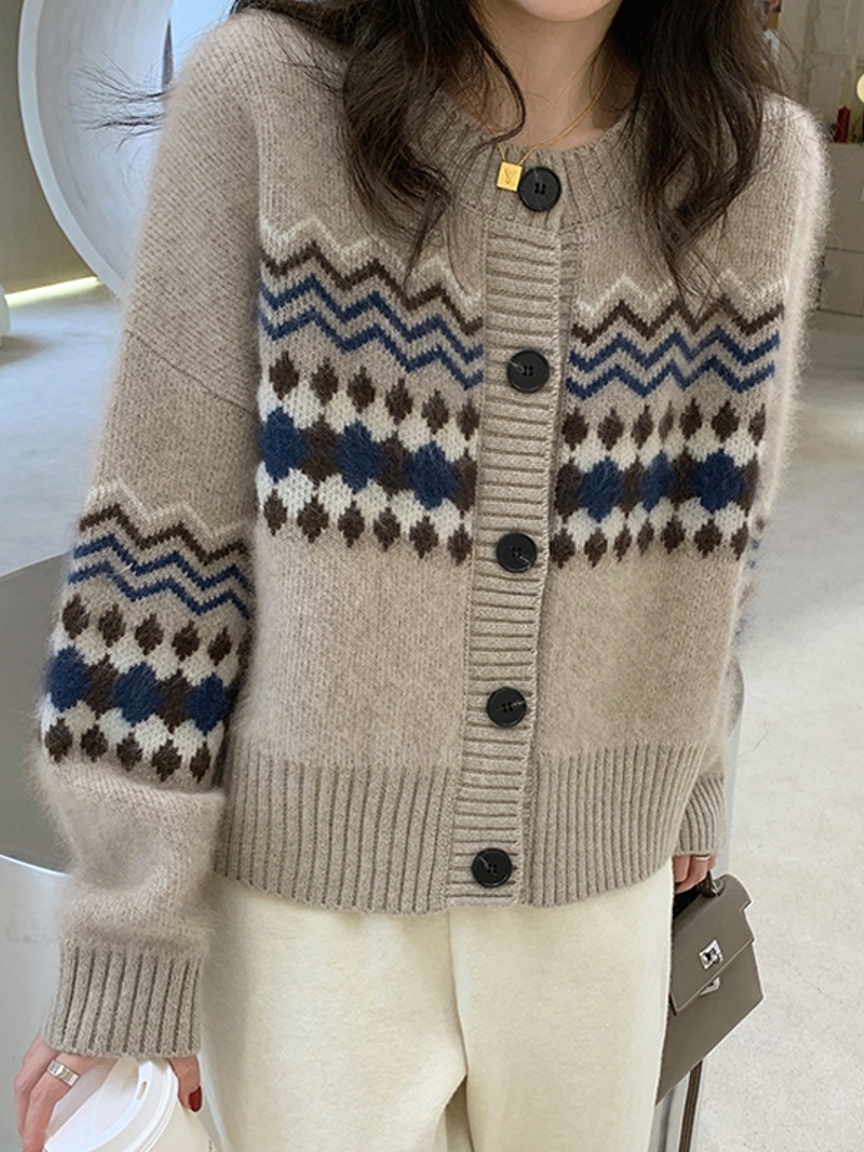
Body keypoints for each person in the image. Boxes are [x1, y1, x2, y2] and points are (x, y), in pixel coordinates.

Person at [13, 1, 829, 1150]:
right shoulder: (267, 99)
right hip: (310, 924)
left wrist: (687, 774)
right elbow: (162, 551)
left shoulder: (750, 165)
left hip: (597, 910)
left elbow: (711, 535)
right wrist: (128, 939)